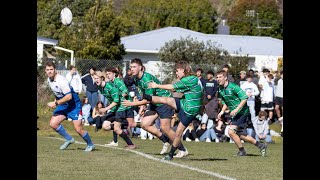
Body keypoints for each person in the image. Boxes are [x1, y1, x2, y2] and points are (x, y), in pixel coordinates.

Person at [122, 58, 188, 157]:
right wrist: (140, 104)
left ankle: (182, 149)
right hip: (155, 102)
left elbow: (148, 99)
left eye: (134, 67)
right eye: (131, 67)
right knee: (145, 124)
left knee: (165, 128)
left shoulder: (147, 79)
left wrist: (132, 104)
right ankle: (165, 141)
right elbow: (145, 95)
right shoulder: (136, 78)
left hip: (164, 101)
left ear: (141, 68)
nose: (132, 69)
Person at [146, 60, 203, 160]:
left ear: (182, 70)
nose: (176, 73)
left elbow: (172, 87)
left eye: (177, 71)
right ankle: (145, 96)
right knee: (167, 100)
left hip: (190, 110)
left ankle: (171, 154)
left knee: (178, 132)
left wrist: (156, 85)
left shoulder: (189, 80)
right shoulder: (193, 79)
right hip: (185, 102)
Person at [45, 61, 95, 152]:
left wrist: (56, 103)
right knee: (53, 123)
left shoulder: (61, 80)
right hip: (64, 105)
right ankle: (69, 139)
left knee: (78, 129)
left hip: (74, 106)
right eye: (47, 70)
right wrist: (55, 101)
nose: (49, 71)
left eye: (51, 69)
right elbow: (59, 94)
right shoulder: (49, 80)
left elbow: (69, 96)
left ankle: (90, 144)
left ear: (55, 70)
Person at [216, 69, 267, 156]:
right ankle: (260, 145)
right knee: (241, 135)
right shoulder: (220, 89)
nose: (218, 79)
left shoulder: (234, 87)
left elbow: (244, 98)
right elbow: (225, 102)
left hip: (243, 112)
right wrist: (222, 111)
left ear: (225, 78)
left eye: (220, 77)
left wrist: (236, 109)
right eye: (217, 77)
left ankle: (242, 151)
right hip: (236, 113)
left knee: (231, 131)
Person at [93, 71, 136, 149]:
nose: (96, 80)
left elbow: (116, 101)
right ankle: (123, 127)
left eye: (97, 78)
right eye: (94, 78)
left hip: (120, 108)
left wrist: (105, 109)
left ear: (102, 78)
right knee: (105, 126)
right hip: (115, 109)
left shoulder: (110, 87)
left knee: (116, 128)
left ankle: (130, 144)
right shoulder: (100, 87)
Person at [105, 67, 135, 146]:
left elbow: (125, 91)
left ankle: (129, 143)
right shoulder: (112, 83)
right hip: (120, 107)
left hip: (125, 106)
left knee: (130, 125)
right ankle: (117, 142)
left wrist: (121, 96)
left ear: (114, 74)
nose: (108, 75)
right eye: (107, 74)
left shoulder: (118, 82)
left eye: (110, 74)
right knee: (116, 126)